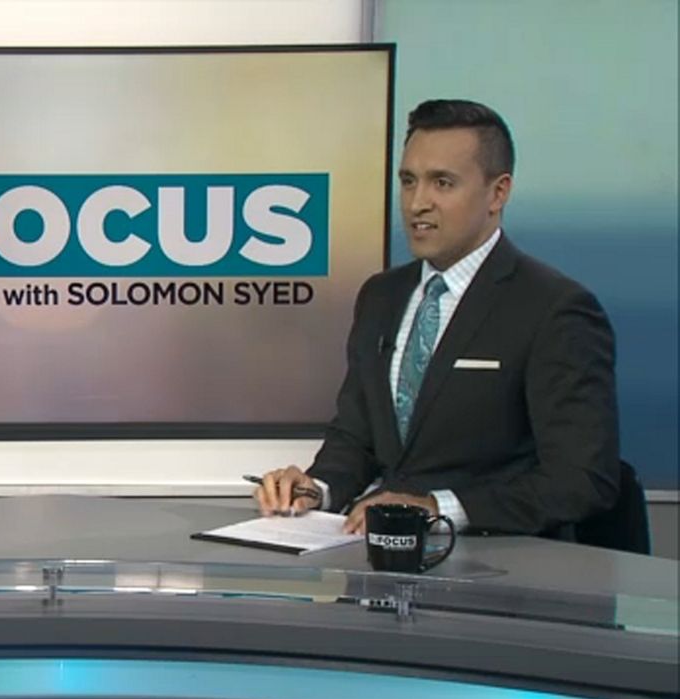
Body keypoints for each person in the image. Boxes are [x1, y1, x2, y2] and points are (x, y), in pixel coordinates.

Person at [255, 99, 620, 537]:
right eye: (408, 181)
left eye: (442, 183)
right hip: (375, 554)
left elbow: (581, 479)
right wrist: (317, 489)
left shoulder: (554, 309)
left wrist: (435, 508)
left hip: (497, 562)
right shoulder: (381, 296)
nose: (417, 203)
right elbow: (357, 438)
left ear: (498, 193)